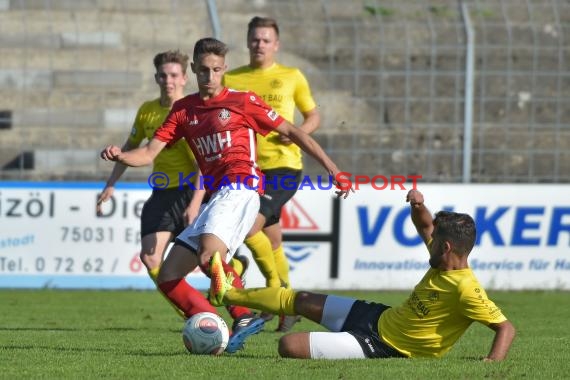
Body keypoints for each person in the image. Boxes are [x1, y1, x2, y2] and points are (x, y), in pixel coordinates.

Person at [100, 37, 351, 353]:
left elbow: (293, 131)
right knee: (168, 274)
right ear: (193, 69)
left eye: (216, 70)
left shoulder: (243, 101)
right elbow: (149, 153)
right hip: (216, 197)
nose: (209, 77)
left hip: (241, 189)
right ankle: (211, 326)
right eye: (203, 70)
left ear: (224, 69)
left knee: (209, 256)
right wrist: (120, 156)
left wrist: (332, 168)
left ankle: (266, 308)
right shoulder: (183, 110)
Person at [208, 189, 516, 360]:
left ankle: (337, 343)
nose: (428, 242)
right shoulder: (443, 260)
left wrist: (491, 363)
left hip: (387, 348)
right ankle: (228, 293)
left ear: (446, 247)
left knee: (288, 346)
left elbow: (506, 328)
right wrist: (419, 204)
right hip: (378, 317)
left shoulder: (466, 289)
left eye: (434, 242)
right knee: (300, 298)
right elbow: (424, 225)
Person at [223, 16, 321, 331]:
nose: (260, 45)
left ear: (276, 44)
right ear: (247, 41)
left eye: (266, 40)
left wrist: (297, 132)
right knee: (272, 238)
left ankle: (274, 295)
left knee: (252, 226)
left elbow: (313, 115)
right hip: (247, 170)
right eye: (255, 39)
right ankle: (287, 306)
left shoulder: (291, 76)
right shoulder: (233, 79)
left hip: (283, 167)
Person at [96, 50, 199, 316]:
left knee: (208, 259)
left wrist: (197, 202)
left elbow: (203, 163)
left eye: (174, 75)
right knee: (151, 257)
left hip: (192, 191)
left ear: (185, 78)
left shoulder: (192, 111)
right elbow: (131, 148)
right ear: (156, 78)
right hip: (164, 192)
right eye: (163, 75)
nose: (168, 80)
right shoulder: (148, 111)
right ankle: (192, 310)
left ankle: (240, 309)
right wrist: (111, 183)